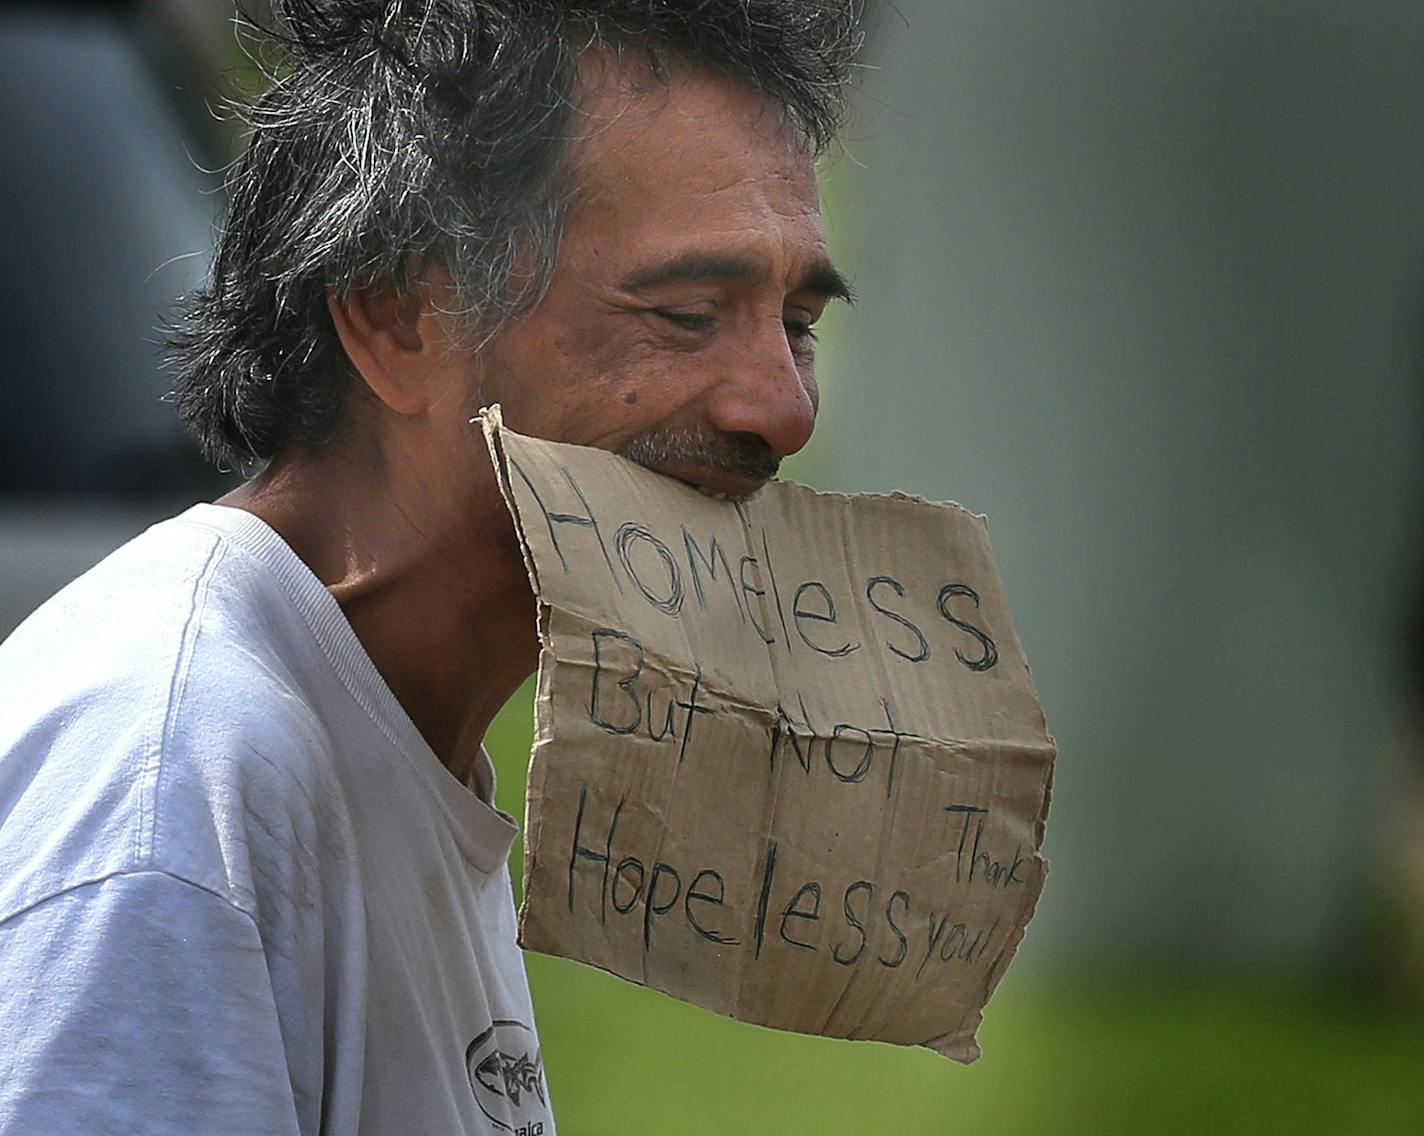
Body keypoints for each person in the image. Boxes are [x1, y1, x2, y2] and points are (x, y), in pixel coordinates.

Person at [0, 1, 860, 1132]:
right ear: (397, 316)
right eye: (688, 313)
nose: (783, 410)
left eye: (794, 322)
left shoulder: (373, 735)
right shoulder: (183, 775)